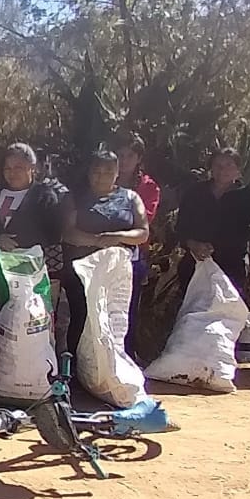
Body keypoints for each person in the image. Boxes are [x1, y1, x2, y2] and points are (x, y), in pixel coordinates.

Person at [60, 150, 150, 354]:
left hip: (121, 273)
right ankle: (78, 370)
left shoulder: (131, 197)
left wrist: (117, 237)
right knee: (83, 318)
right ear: (89, 173)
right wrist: (97, 241)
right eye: (97, 171)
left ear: (117, 173)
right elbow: (68, 233)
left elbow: (143, 232)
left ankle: (120, 370)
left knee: (121, 320)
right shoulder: (74, 197)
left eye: (108, 172)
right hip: (84, 271)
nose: (102, 177)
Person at [0, 143, 65, 307]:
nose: (12, 173)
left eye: (19, 167)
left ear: (32, 168)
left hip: (28, 277)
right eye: (8, 168)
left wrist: (21, 245)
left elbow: (54, 235)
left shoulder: (45, 196)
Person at [175, 148, 250, 299]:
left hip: (231, 266)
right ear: (211, 168)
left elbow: (247, 232)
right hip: (195, 263)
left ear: (238, 170)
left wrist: (214, 246)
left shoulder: (249, 198)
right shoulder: (195, 192)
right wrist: (193, 244)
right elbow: (181, 225)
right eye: (218, 165)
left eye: (229, 165)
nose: (223, 170)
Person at [115, 134, 160, 358]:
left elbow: (143, 222)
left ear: (139, 158)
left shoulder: (147, 187)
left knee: (128, 308)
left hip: (132, 257)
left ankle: (127, 354)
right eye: (120, 155)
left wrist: (111, 230)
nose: (124, 161)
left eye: (129, 156)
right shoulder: (100, 179)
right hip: (98, 256)